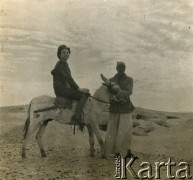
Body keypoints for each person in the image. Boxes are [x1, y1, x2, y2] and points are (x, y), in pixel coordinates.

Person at [51, 45, 89, 129]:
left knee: (85, 93)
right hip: (61, 90)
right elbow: (68, 78)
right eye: (63, 52)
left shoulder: (64, 63)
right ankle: (77, 116)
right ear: (59, 54)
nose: (66, 54)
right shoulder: (61, 64)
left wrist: (77, 88)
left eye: (67, 52)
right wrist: (78, 88)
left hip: (63, 88)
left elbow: (68, 79)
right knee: (84, 95)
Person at [104, 61, 135, 158]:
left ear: (125, 68)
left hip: (125, 108)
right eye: (119, 67)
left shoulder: (130, 80)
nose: (121, 68)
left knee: (125, 130)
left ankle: (127, 152)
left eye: (123, 67)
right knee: (112, 130)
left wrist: (117, 96)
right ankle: (114, 152)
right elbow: (108, 93)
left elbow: (129, 92)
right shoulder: (111, 80)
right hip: (114, 108)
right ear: (116, 68)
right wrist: (112, 97)